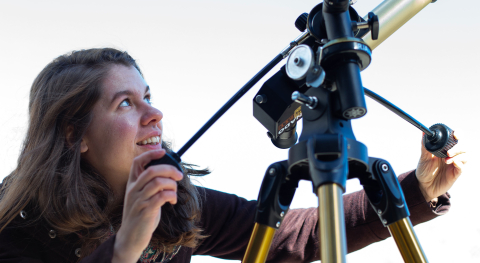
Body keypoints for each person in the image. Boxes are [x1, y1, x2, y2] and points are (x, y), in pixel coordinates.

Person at [0, 48, 466, 263]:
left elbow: (295, 235)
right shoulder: (17, 227)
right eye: (125, 103)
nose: (154, 114)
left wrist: (417, 188)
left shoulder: (175, 205)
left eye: (148, 95)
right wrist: (125, 247)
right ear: (74, 133)